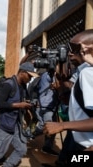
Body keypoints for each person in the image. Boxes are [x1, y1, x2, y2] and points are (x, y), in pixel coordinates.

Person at [44, 29, 93, 162]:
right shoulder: (82, 71)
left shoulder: (88, 73)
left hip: (86, 146)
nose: (70, 53)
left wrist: (62, 126)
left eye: (76, 48)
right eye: (69, 48)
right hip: (77, 137)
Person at [0, 62, 39, 167]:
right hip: (3, 125)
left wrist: (29, 104)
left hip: (15, 124)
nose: (30, 79)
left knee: (21, 149)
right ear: (22, 72)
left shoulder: (22, 86)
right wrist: (18, 105)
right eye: (29, 76)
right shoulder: (9, 84)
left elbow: (23, 101)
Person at [33, 70, 60, 156]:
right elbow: (56, 85)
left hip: (46, 105)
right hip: (47, 106)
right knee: (48, 127)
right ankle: (28, 136)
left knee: (47, 126)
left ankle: (46, 146)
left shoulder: (45, 74)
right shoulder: (49, 75)